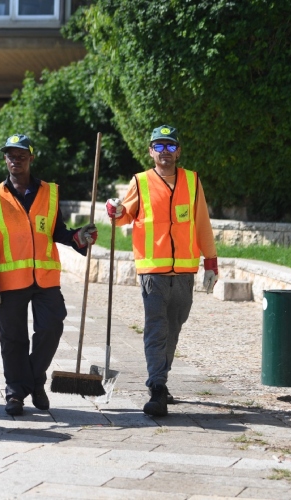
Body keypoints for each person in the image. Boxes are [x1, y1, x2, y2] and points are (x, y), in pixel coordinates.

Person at [0, 134, 98, 416]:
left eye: (20, 155)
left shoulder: (50, 192)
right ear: (5, 159)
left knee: (52, 327)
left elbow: (57, 231)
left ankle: (32, 379)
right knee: (13, 339)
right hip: (10, 281)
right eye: (10, 155)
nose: (15, 160)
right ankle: (16, 393)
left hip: (45, 280)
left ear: (31, 157)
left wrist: (79, 237)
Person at [106, 125, 218, 417]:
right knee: (156, 327)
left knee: (174, 326)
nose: (165, 152)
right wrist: (114, 210)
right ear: (150, 151)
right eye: (159, 146)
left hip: (184, 270)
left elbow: (202, 223)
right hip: (152, 271)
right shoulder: (140, 182)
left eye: (170, 146)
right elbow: (123, 217)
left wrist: (211, 261)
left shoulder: (192, 181)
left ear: (178, 151)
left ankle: (161, 378)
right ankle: (156, 387)